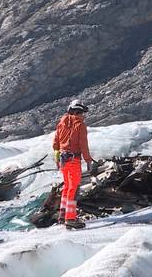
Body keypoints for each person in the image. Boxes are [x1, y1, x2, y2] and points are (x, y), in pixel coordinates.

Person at [53, 99, 93, 230]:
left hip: (63, 160)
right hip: (73, 159)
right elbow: (83, 145)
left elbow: (56, 143)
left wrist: (57, 158)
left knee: (67, 186)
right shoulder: (80, 125)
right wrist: (88, 160)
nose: (83, 116)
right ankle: (70, 219)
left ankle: (62, 214)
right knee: (73, 188)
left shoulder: (61, 123)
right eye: (81, 113)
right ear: (78, 111)